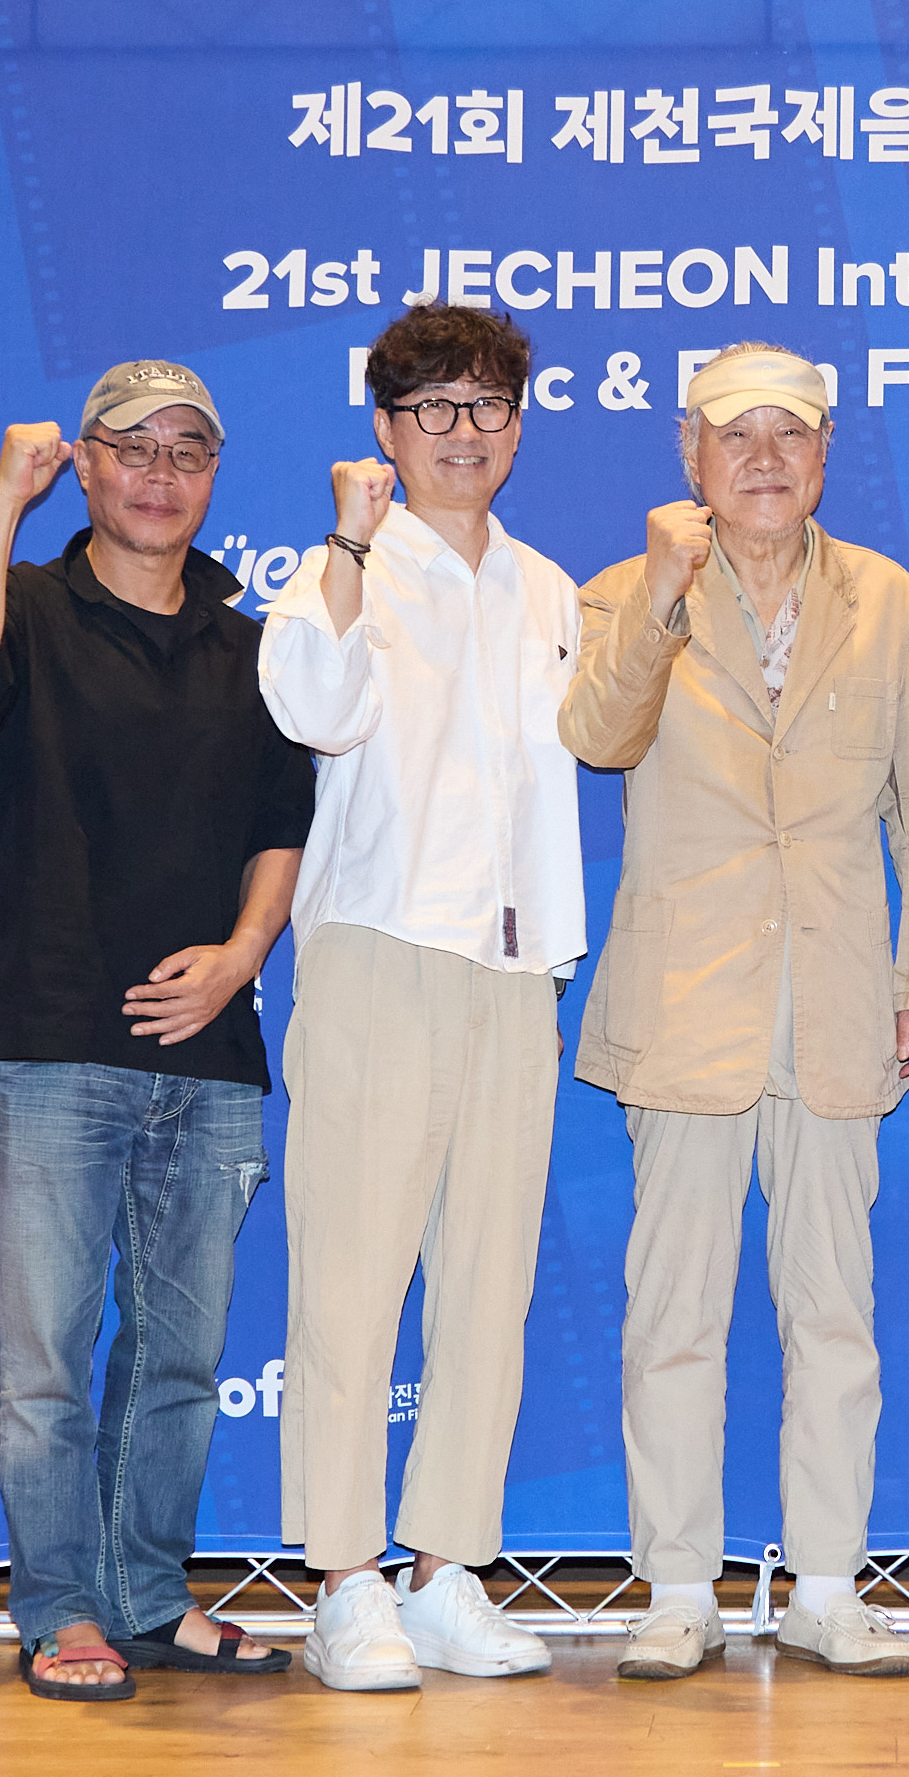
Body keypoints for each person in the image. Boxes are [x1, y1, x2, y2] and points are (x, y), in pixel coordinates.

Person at [560, 344, 909, 1682]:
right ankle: (679, 1588)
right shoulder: (626, 590)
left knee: (833, 1313)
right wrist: (661, 594)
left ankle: (827, 1586)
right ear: (690, 453)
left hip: (839, 1000)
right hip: (685, 1002)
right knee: (672, 1313)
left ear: (826, 453)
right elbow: (599, 735)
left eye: (791, 433)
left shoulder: (889, 598)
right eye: (736, 434)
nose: (764, 458)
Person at [0, 360, 311, 1702]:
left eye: (187, 450)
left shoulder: (252, 649)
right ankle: (59, 1608)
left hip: (211, 1054)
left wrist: (242, 958)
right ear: (82, 465)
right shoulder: (23, 604)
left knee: (181, 1357)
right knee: (48, 1362)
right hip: (47, 1040)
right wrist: (1, 501)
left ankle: (146, 1593)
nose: (159, 473)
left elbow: (283, 825)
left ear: (214, 476)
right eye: (131, 447)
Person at [256, 305, 582, 1693]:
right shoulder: (344, 571)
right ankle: (343, 1580)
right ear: (386, 428)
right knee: (349, 1279)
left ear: (518, 424)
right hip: (379, 950)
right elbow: (313, 710)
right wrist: (345, 544)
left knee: (490, 1285)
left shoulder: (549, 587)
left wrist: (539, 960)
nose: (465, 432)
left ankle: (448, 1569)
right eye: (434, 407)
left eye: (489, 405)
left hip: (516, 967)